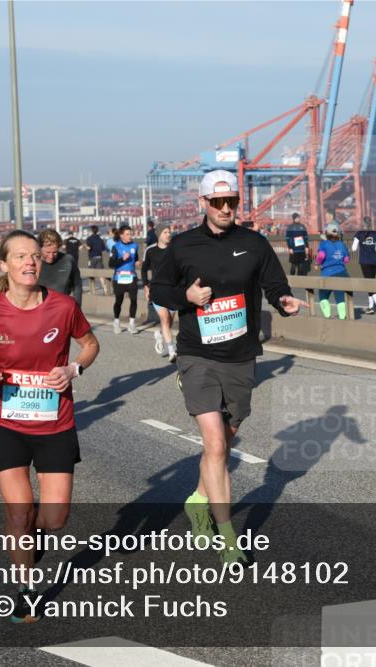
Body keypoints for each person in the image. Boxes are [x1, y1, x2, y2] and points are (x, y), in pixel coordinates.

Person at [150, 169, 307, 565]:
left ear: (238, 203)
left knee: (227, 438)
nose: (225, 208)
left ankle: (199, 500)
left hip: (240, 356)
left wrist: (284, 302)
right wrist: (186, 297)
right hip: (196, 354)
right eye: (217, 202)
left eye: (231, 202)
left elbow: (274, 284)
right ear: (203, 203)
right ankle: (227, 538)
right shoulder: (183, 246)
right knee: (216, 444)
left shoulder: (253, 243)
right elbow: (159, 288)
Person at [0, 230, 99, 623]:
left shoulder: (63, 306)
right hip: (5, 423)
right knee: (20, 511)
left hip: (55, 423)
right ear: (4, 264)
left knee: (54, 519)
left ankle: (23, 531)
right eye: (20, 256)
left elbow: (90, 344)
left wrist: (74, 368)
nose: (29, 262)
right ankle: (26, 587)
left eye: (35, 255)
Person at [142, 224, 177, 362]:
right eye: (165, 232)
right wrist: (146, 287)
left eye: (169, 232)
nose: (168, 234)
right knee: (164, 318)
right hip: (157, 289)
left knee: (169, 321)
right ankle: (171, 350)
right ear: (158, 235)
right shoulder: (150, 251)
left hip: (173, 290)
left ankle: (159, 334)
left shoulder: (175, 249)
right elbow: (144, 269)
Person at [37, 229, 83, 309]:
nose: (51, 256)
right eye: (47, 252)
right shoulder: (32, 262)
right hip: (38, 311)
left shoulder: (68, 260)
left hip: (62, 311)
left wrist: (77, 307)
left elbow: (77, 285)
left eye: (55, 252)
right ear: (39, 248)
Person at [109, 225, 140, 334]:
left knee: (134, 300)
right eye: (127, 234)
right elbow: (111, 264)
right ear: (121, 235)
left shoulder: (135, 246)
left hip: (132, 277)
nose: (130, 236)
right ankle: (116, 322)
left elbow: (136, 258)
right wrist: (122, 259)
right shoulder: (116, 247)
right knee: (119, 301)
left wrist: (137, 262)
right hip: (119, 278)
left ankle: (131, 324)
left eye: (130, 234)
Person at [316, 222, 351, 319]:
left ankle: (327, 316)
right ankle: (342, 317)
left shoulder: (323, 244)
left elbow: (321, 256)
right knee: (340, 297)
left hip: (328, 273)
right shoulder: (341, 244)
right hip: (342, 272)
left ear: (326, 232)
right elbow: (346, 260)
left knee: (323, 296)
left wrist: (317, 264)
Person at [352, 216, 376, 316]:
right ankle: (370, 307)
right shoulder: (375, 234)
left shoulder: (359, 234)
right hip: (375, 262)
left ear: (362, 224)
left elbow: (353, 249)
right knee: (371, 283)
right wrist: (371, 246)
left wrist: (362, 245)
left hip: (365, 261)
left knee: (368, 284)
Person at [85, 225, 108, 292]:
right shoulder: (100, 239)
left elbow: (89, 248)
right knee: (101, 274)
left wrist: (85, 246)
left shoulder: (89, 239)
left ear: (91, 231)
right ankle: (105, 288)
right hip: (99, 257)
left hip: (92, 258)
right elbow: (103, 249)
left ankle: (93, 290)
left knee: (91, 274)